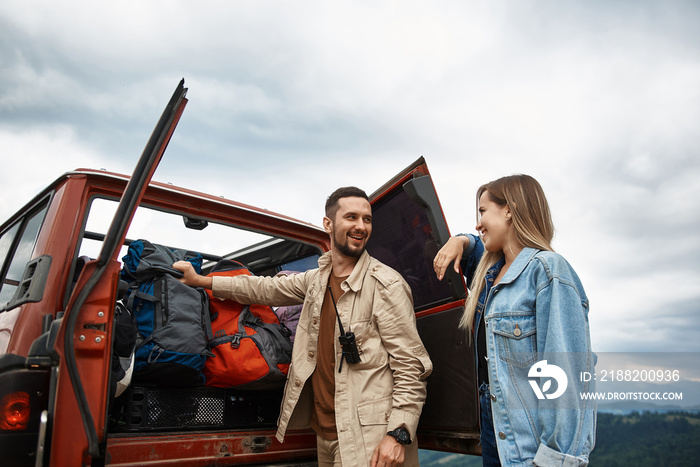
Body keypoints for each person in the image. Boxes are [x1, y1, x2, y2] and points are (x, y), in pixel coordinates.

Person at [174, 186, 432, 467]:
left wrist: (398, 434)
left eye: (367, 219)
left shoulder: (386, 285)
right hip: (326, 434)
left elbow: (411, 367)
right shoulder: (316, 280)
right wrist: (203, 282)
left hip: (371, 438)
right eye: (352, 217)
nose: (361, 226)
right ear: (329, 224)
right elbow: (263, 288)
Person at [433, 174, 595, 467]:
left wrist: (554, 460)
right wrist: (462, 241)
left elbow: (568, 381)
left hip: (530, 448)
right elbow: (475, 253)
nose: (478, 223)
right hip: (494, 431)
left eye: (483, 211)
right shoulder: (492, 272)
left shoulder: (547, 272)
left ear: (509, 209)